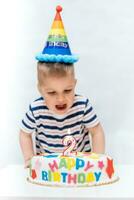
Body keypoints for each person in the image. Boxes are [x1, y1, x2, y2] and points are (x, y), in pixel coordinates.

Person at [19, 62, 105, 168]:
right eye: (51, 92)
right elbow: (24, 134)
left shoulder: (82, 106)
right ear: (40, 90)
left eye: (67, 90)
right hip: (48, 169)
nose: (61, 99)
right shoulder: (36, 109)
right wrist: (29, 158)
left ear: (74, 84)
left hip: (79, 168)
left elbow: (97, 132)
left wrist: (97, 159)